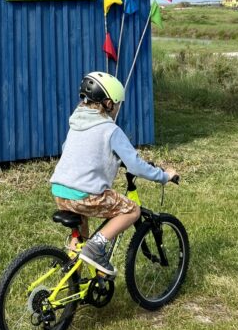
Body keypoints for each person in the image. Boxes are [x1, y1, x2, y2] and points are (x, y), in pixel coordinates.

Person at [49, 71, 178, 277]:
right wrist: (164, 175)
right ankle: (96, 247)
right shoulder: (110, 129)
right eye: (118, 103)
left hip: (60, 191)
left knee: (80, 234)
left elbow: (69, 150)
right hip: (86, 195)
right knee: (132, 210)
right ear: (108, 104)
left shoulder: (75, 124)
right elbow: (135, 166)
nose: (118, 108)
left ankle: (72, 282)